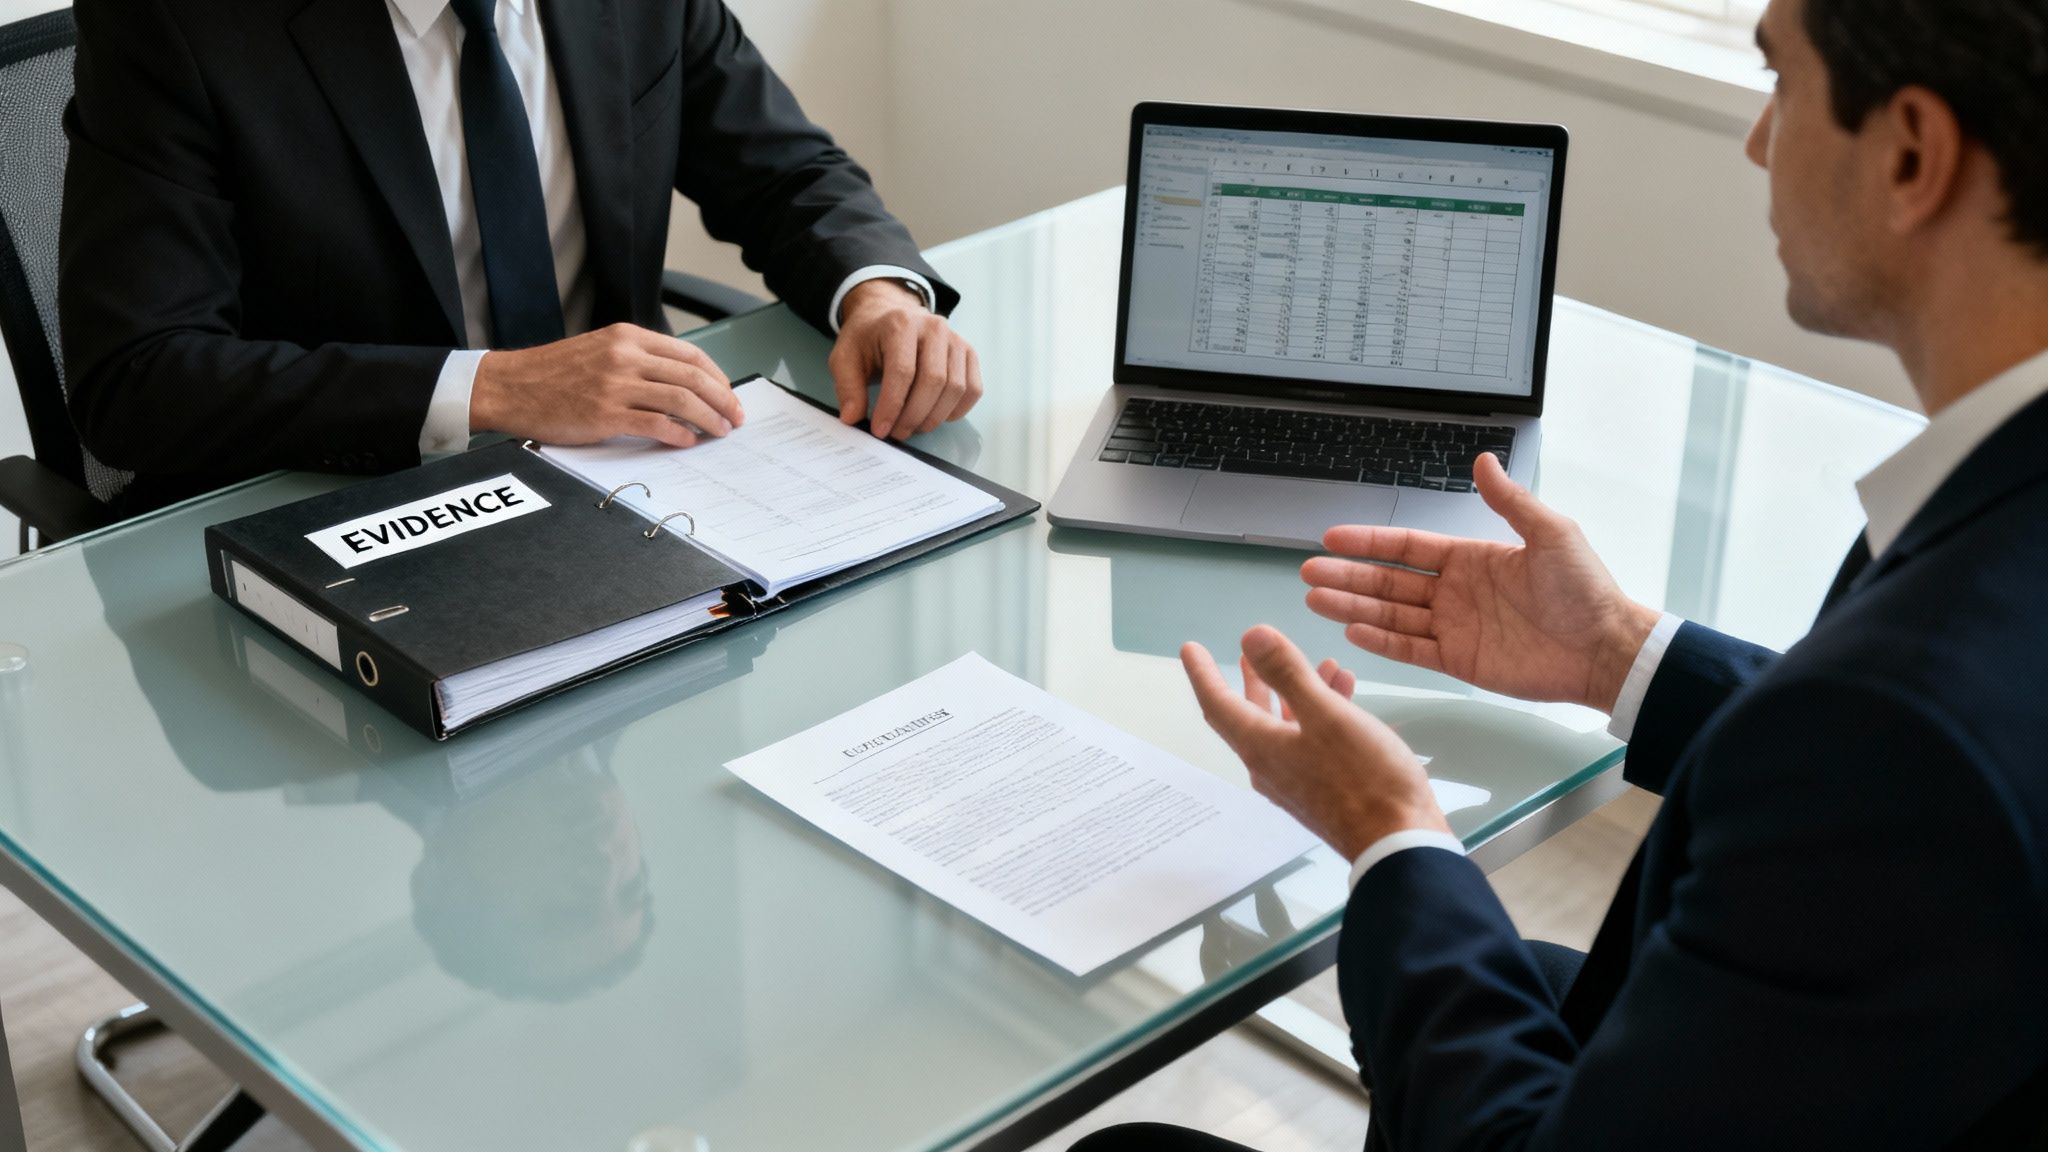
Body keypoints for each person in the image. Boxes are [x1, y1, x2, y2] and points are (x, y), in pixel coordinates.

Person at [1084, 0, 2048, 1147]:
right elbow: (1897, 809)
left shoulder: (1894, 731)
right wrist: (1618, 652)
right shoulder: (1989, 510)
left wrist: (1391, 832)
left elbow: (1890, 766)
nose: (1755, 142)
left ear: (1908, 154)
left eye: (1777, 82)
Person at [58, 0, 980, 513]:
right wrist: (492, 389)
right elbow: (138, 380)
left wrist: (882, 294)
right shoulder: (172, 23)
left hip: (645, 485)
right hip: (358, 496)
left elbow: (782, 169)